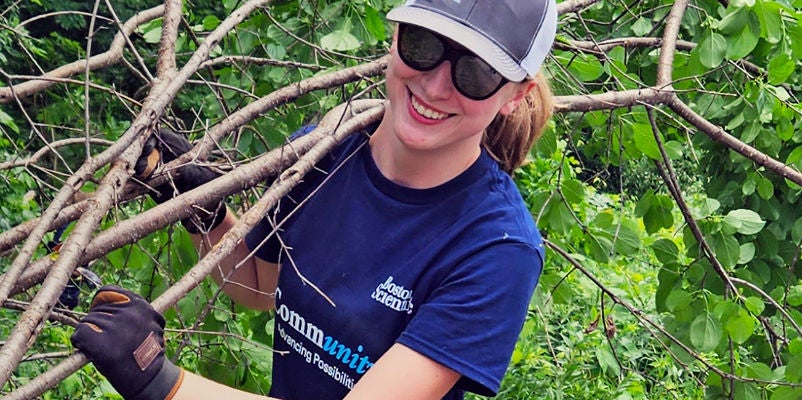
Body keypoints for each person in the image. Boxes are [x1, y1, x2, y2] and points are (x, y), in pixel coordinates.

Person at [70, 1, 559, 399]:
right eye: (424, 45)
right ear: (395, 38)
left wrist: (157, 380)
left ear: (516, 94)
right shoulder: (324, 149)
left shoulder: (498, 247)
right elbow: (261, 285)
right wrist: (207, 215)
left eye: (475, 73)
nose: (435, 85)